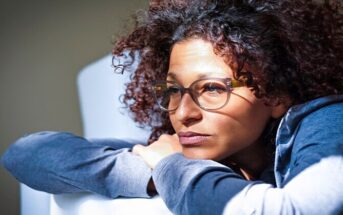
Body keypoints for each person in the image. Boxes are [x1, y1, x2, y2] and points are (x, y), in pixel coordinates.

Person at [2, 0, 343, 214]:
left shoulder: (329, 121)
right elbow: (27, 154)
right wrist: (155, 172)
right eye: (173, 91)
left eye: (211, 88)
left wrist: (169, 167)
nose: (182, 114)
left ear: (277, 96)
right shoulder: (204, 147)